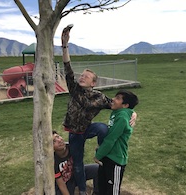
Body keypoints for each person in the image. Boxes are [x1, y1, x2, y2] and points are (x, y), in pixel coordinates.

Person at [61, 25, 137, 195]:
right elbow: (67, 67)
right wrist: (65, 45)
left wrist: (133, 112)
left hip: (88, 129)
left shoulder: (99, 97)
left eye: (86, 77)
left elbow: (120, 104)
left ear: (93, 83)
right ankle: (81, 190)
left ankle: (103, 153)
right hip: (75, 133)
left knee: (102, 128)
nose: (82, 77)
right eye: (82, 75)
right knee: (78, 163)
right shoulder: (74, 89)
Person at [94, 90, 139, 195]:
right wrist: (133, 112)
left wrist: (98, 155)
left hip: (115, 160)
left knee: (112, 191)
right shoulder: (117, 112)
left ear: (125, 105)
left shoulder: (122, 117)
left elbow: (111, 139)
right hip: (107, 156)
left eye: (118, 98)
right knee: (102, 189)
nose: (113, 99)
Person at [53, 131, 99, 195]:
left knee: (98, 169)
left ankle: (96, 192)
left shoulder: (72, 147)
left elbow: (80, 165)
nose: (59, 140)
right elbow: (61, 185)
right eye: (54, 141)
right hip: (65, 182)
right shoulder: (53, 160)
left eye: (58, 137)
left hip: (76, 174)